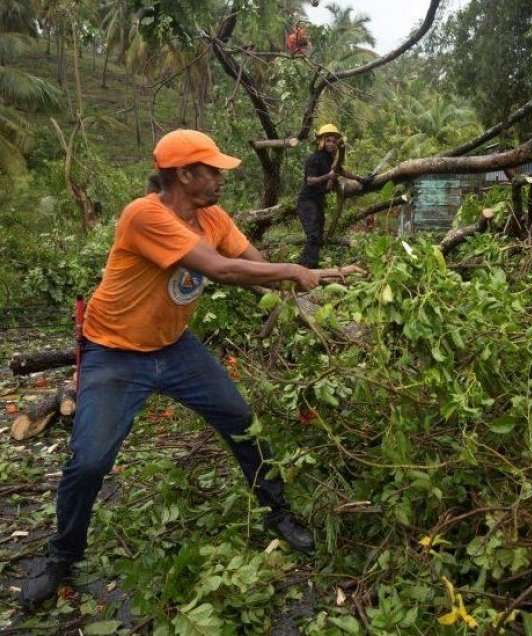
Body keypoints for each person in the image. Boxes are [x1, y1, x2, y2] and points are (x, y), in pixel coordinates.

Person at [21, 129, 362, 607]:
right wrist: (292, 270)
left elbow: (254, 266)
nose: (221, 178)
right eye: (213, 170)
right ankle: (63, 554)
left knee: (243, 422)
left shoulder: (214, 217)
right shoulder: (145, 215)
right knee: (91, 461)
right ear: (184, 174)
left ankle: (276, 511)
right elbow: (221, 270)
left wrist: (322, 285)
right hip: (116, 351)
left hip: (174, 346)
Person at [296, 124, 368, 268]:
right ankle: (303, 268)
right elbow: (310, 180)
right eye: (328, 140)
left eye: (334, 141)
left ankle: (312, 267)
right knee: (313, 235)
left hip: (318, 202)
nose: (331, 144)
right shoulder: (314, 159)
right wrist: (327, 176)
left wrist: (360, 179)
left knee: (319, 236)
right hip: (307, 202)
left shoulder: (330, 159)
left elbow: (341, 171)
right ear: (321, 141)